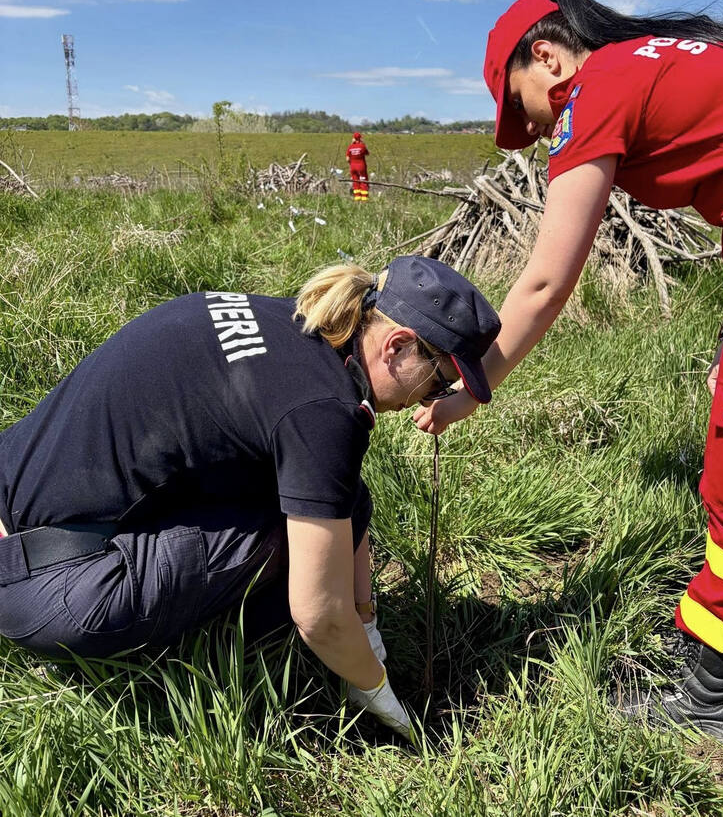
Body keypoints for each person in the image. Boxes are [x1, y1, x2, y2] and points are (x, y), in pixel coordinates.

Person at [413, 0, 723, 747]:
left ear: (547, 56)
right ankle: (712, 631)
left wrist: (472, 385)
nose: (544, 130)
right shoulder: (675, 56)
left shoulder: (600, 84)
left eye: (532, 110)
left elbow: (546, 280)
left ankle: (714, 692)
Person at [0, 256, 500, 739]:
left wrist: (365, 620)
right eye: (439, 380)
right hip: (52, 588)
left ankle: (320, 638)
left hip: (15, 500)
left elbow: (342, 496)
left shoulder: (283, 320)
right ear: (397, 345)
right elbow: (319, 613)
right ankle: (246, 661)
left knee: (334, 499)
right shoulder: (322, 411)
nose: (433, 396)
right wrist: (375, 685)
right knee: (309, 538)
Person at [346, 132, 370, 201]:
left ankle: (357, 198)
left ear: (353, 138)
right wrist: (363, 143)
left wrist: (351, 163)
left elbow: (347, 159)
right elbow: (367, 153)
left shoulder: (350, 147)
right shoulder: (362, 146)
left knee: (355, 182)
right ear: (360, 138)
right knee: (363, 181)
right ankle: (364, 199)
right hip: (361, 167)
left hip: (353, 167)